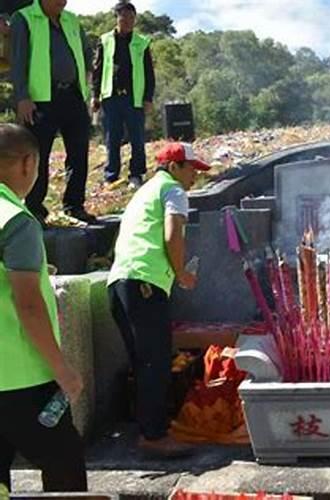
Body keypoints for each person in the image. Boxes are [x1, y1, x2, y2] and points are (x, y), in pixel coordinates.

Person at [108, 142, 209, 457]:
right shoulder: (174, 191)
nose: (195, 175)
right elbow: (172, 234)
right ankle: (154, 436)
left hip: (121, 281)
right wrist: (181, 274)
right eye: (192, 168)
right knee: (155, 361)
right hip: (145, 283)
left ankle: (149, 429)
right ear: (175, 167)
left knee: (143, 361)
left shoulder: (144, 192)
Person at [0, 124, 86, 491]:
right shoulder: (16, 221)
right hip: (22, 378)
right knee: (64, 466)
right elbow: (29, 307)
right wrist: (63, 371)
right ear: (28, 162)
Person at [10, 0, 96, 226]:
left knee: (79, 153)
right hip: (40, 100)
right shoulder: (24, 18)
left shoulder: (72, 20)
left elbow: (87, 54)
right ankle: (35, 209)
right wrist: (22, 97)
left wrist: (86, 83)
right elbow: (17, 61)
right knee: (39, 155)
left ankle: (74, 205)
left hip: (74, 97)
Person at [91, 2, 155, 189]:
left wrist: (148, 98)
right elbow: (98, 69)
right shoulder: (105, 40)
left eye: (131, 18)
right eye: (124, 17)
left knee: (137, 137)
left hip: (134, 97)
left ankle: (136, 174)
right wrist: (95, 95)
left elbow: (149, 73)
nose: (127, 21)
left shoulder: (142, 43)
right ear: (116, 18)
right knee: (112, 137)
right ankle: (111, 176)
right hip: (111, 96)